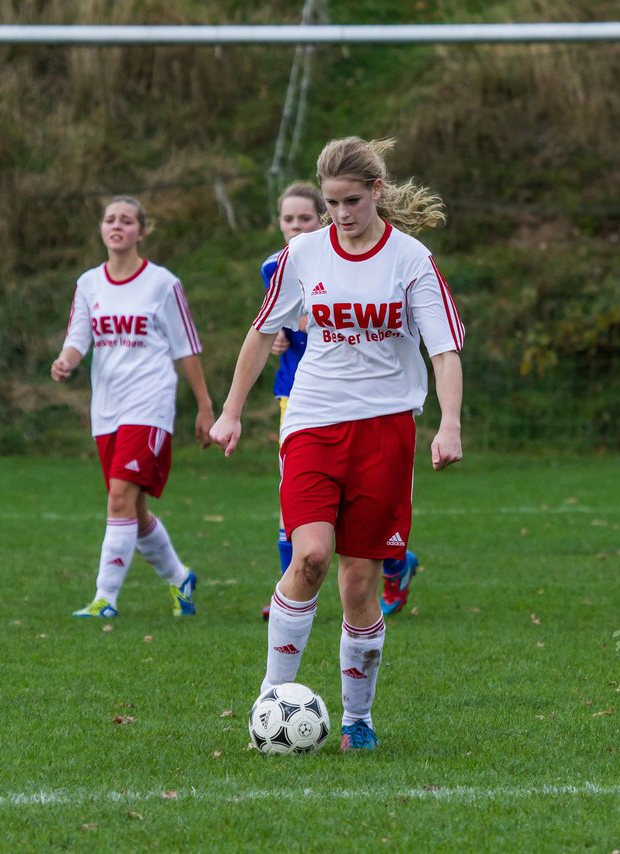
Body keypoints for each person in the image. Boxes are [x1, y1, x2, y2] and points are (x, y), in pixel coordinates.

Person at [210, 137, 464, 751]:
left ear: (376, 192)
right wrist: (231, 411)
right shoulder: (304, 253)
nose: (341, 215)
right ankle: (272, 704)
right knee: (311, 556)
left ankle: (357, 720)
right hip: (314, 422)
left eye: (351, 201)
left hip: (385, 429)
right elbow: (261, 330)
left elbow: (444, 348)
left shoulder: (411, 260)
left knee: (358, 582)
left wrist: (449, 422)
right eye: (330, 203)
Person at [259, 182, 420, 621]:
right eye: (288, 219)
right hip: (299, 399)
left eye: (305, 218)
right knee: (294, 511)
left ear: (321, 219)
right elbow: (271, 323)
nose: (296, 226)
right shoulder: (277, 266)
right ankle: (291, 590)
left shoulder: (372, 259)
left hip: (371, 406)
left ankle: (397, 566)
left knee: (360, 529)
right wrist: (277, 338)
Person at [51, 195, 214, 618]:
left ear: (142, 231)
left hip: (150, 401)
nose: (117, 225)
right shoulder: (89, 283)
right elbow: (78, 338)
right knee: (132, 508)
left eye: (127, 220)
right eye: (110, 219)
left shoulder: (162, 283)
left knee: (120, 496)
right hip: (107, 407)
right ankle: (180, 578)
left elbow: (187, 349)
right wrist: (66, 361)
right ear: (102, 230)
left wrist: (204, 407)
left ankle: (105, 599)